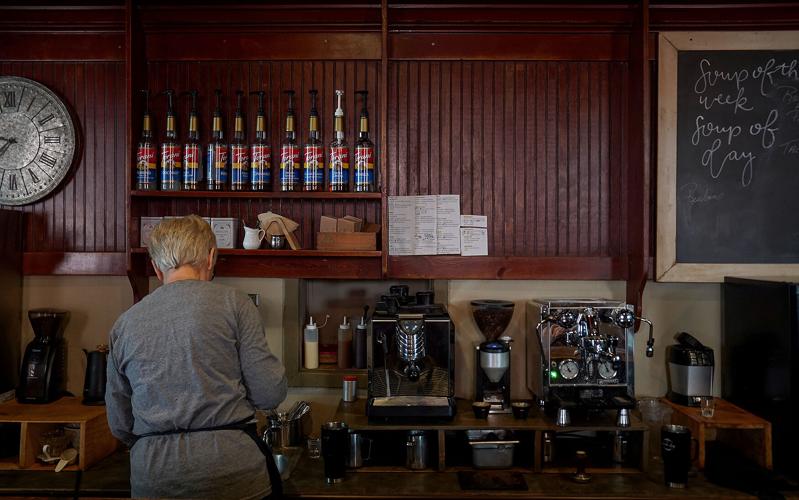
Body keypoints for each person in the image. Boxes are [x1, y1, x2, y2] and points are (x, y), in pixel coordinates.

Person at [106, 215, 287, 499]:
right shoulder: (236, 304)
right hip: (232, 473)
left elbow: (120, 423)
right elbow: (269, 393)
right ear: (211, 257)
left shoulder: (125, 324)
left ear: (156, 266)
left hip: (155, 477)